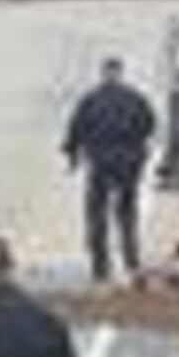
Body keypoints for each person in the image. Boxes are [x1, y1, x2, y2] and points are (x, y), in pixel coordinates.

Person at [62, 56, 159, 285]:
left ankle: (100, 268)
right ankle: (132, 261)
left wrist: (72, 155)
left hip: (101, 163)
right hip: (128, 165)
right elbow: (150, 125)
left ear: (104, 73)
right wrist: (138, 151)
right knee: (126, 214)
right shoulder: (136, 98)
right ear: (120, 73)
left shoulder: (91, 99)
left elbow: (75, 128)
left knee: (96, 214)